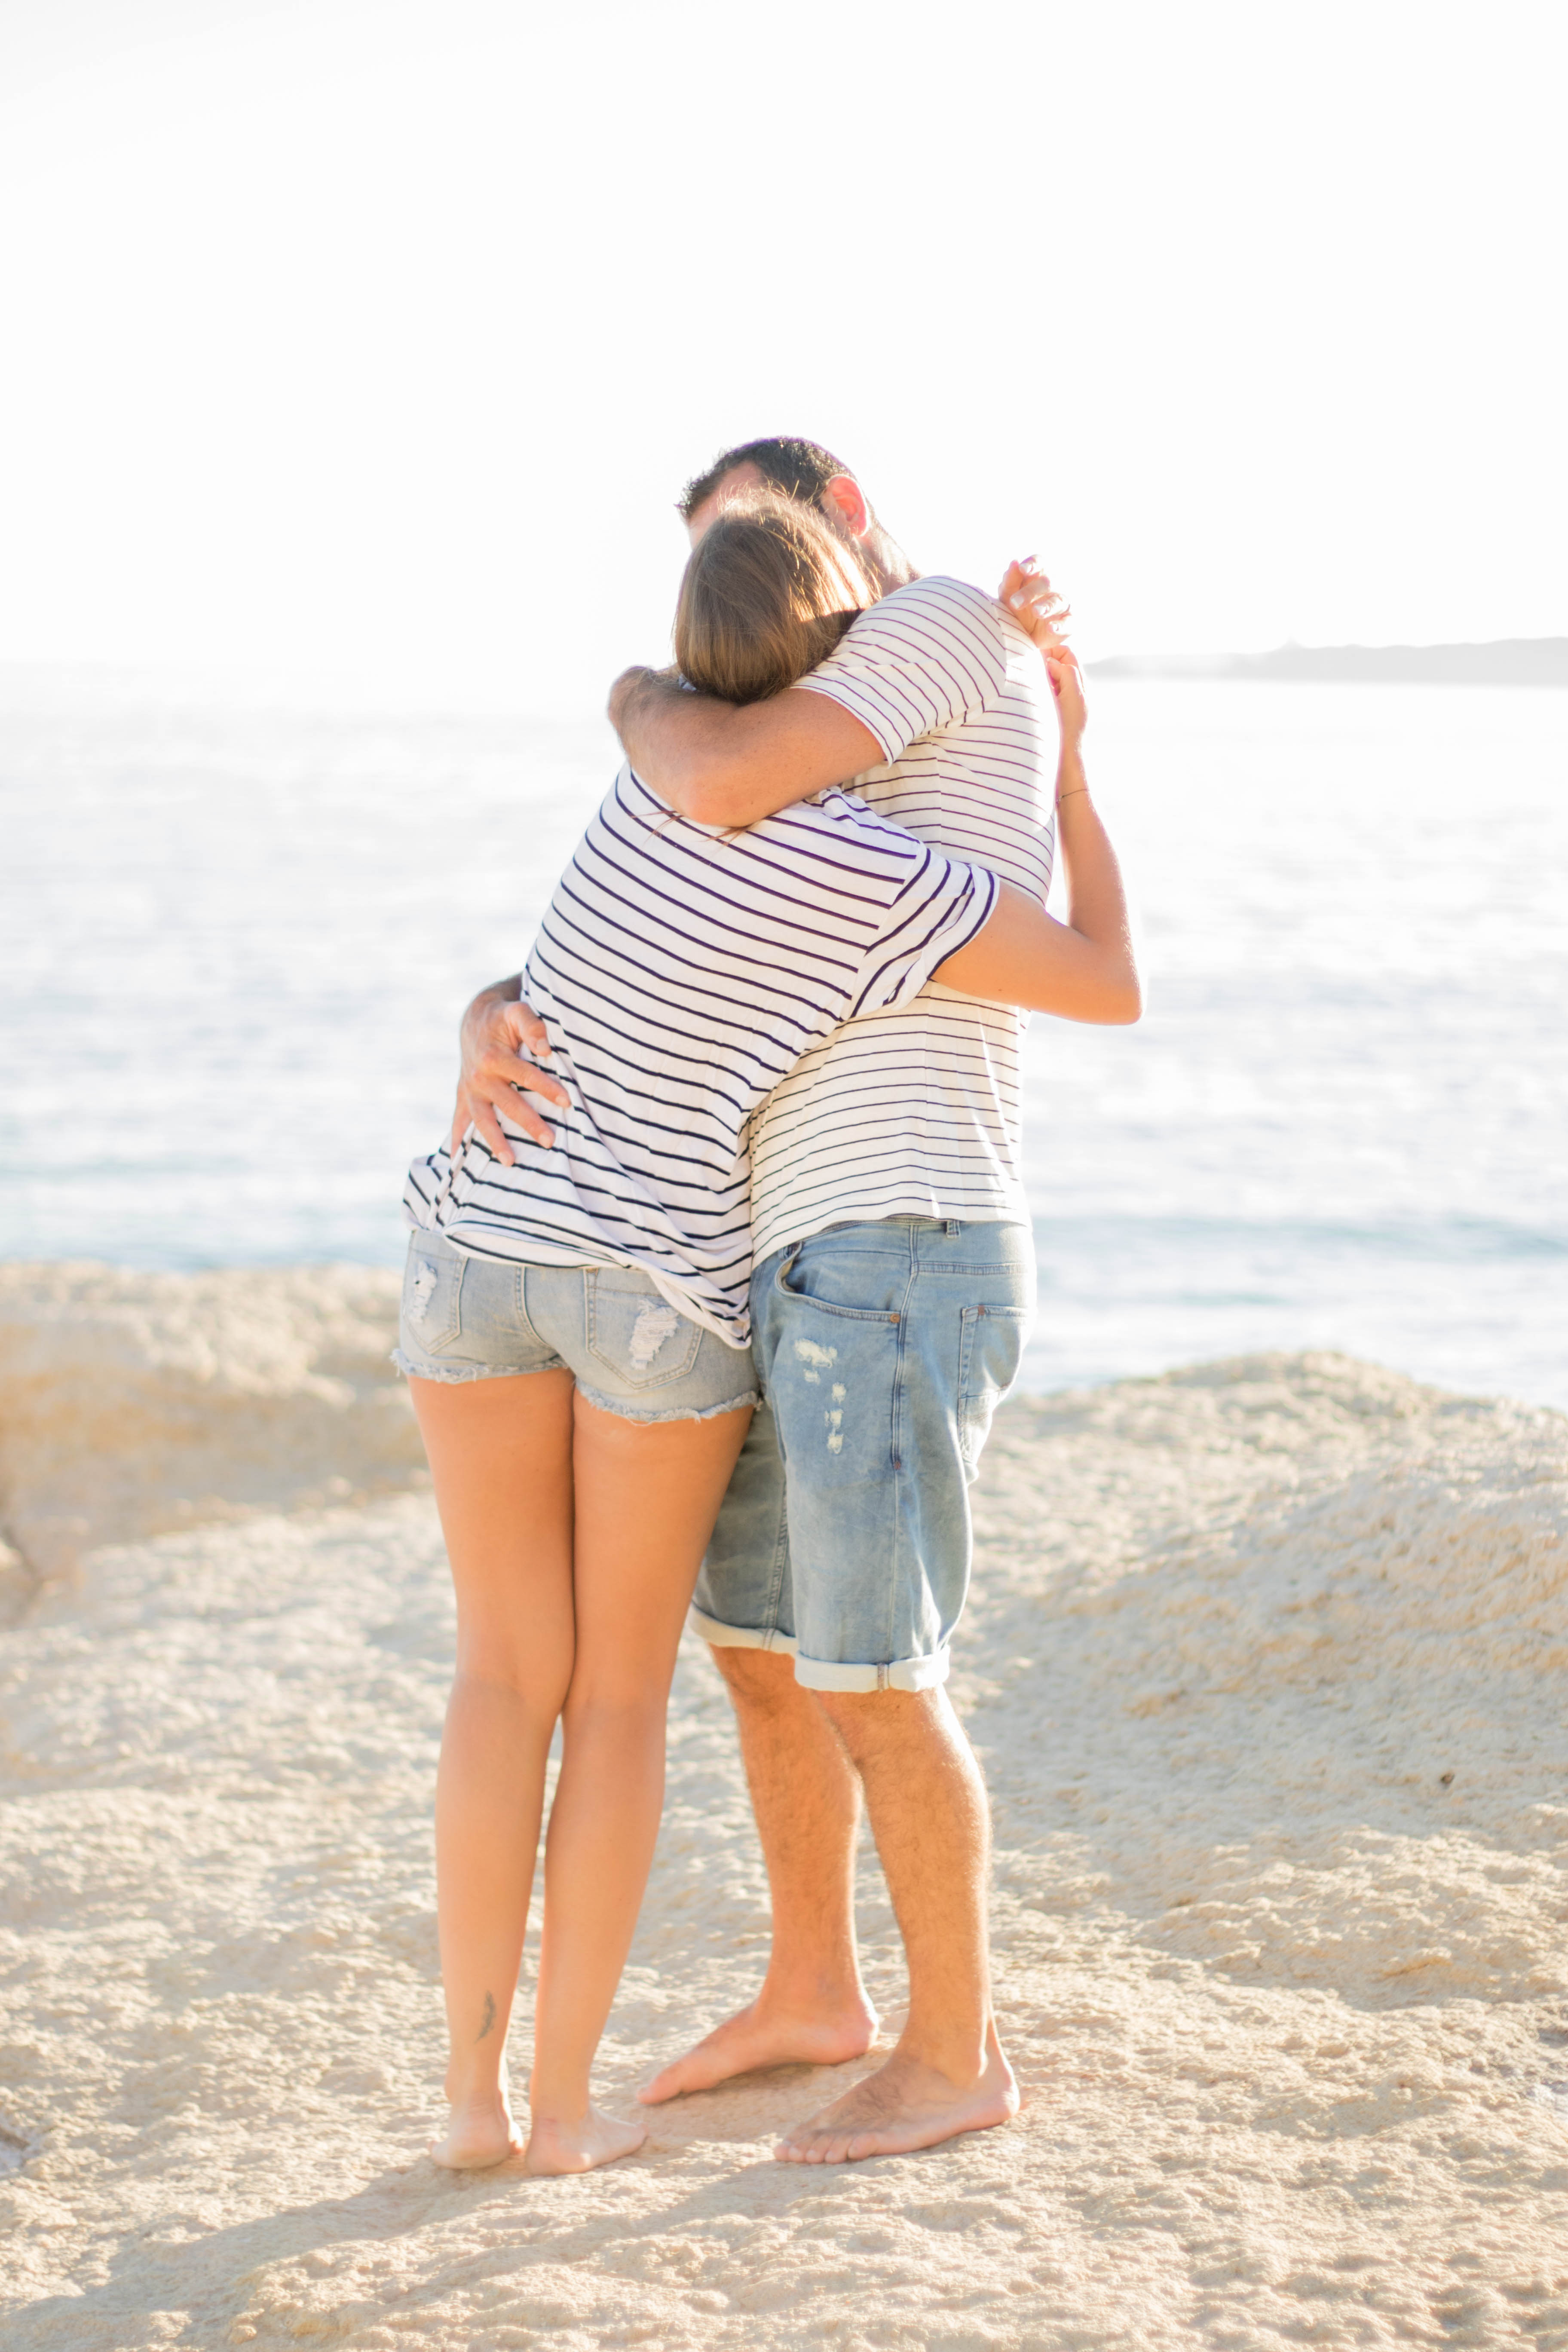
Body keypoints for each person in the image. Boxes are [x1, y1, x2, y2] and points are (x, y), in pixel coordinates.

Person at [404, 488, 1136, 2177]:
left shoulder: (650, 787)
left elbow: (546, 982)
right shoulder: (872, 871)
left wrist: (484, 1002)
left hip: (507, 1238)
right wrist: (1074, 771)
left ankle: (481, 2096)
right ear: (835, 658)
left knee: (524, 1675)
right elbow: (1104, 975)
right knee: (657, 1691)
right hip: (680, 1285)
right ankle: (612, 2089)